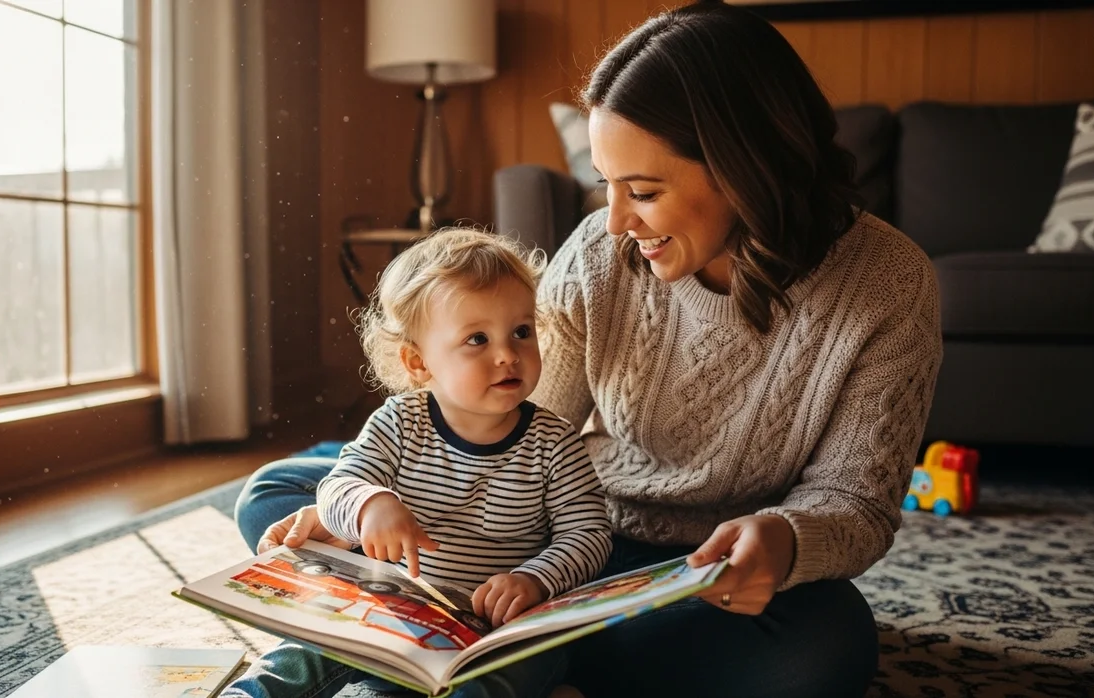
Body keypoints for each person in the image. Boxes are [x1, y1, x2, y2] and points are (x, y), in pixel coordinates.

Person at [235, 2, 942, 696]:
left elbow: (857, 502)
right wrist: (359, 513)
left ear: (745, 168)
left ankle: (502, 640)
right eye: (606, 185)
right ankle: (520, 644)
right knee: (275, 497)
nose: (615, 222)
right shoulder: (602, 258)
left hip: (685, 572)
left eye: (642, 190)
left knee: (820, 652)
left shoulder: (888, 283)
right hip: (553, 523)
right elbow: (515, 430)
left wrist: (786, 540)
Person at [222, 228, 613, 698]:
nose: (508, 354)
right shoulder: (400, 422)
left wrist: (534, 578)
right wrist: (370, 504)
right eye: (477, 339)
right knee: (302, 653)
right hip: (394, 608)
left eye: (521, 332)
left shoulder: (555, 442)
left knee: (493, 682)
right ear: (418, 362)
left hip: (498, 632)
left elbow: (589, 534)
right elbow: (339, 484)